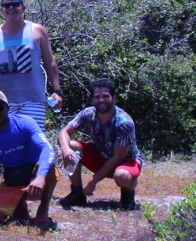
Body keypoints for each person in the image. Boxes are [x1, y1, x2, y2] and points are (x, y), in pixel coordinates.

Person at [0, 0, 62, 133]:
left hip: (33, 100)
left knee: (33, 141)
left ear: (23, 8)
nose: (11, 8)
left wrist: (57, 91)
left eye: (15, 4)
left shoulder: (37, 30)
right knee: (6, 142)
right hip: (2, 103)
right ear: (1, 9)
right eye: (7, 5)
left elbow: (50, 63)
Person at [0, 90, 59, 230]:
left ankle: (43, 211)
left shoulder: (25, 122)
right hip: (13, 178)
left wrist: (40, 177)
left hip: (35, 173)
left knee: (47, 167)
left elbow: (47, 149)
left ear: (7, 108)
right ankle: (20, 208)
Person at [57, 78, 144, 211]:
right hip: (101, 156)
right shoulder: (88, 113)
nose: (101, 100)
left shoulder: (124, 122)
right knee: (71, 146)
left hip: (125, 161)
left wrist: (93, 181)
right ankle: (77, 193)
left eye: (105, 96)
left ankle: (128, 194)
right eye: (97, 97)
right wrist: (65, 150)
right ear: (92, 100)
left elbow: (118, 157)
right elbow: (64, 132)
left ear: (114, 98)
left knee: (122, 175)